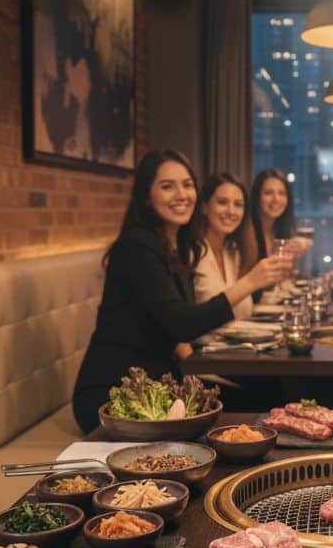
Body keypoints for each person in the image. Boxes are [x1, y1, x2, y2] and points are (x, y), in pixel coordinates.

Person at [72, 151, 290, 433]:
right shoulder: (137, 247)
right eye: (167, 186)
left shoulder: (175, 248)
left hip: (160, 382)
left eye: (187, 185)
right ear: (146, 195)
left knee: (270, 393)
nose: (181, 194)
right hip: (114, 393)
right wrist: (250, 282)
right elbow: (182, 323)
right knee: (262, 402)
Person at [194, 173, 292, 319]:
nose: (231, 211)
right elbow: (190, 321)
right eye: (222, 202)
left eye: (238, 205)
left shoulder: (233, 252)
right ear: (204, 207)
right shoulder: (192, 252)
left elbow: (244, 310)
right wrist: (252, 281)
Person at [244, 168, 311, 285]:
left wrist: (293, 254)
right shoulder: (248, 231)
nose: (276, 199)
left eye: (282, 193)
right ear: (257, 197)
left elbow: (283, 279)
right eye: (268, 193)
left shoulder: (279, 230)